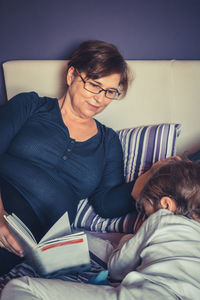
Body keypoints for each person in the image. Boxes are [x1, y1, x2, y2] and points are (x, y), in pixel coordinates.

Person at [0, 40, 138, 275]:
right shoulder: (30, 106)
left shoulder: (109, 141)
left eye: (110, 92)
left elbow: (106, 204)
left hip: (26, 241)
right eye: (94, 85)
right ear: (72, 75)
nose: (100, 99)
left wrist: (154, 176)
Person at [1, 159, 200, 300]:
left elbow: (116, 269)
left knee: (18, 287)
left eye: (147, 214)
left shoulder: (161, 219)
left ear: (166, 205)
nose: (146, 219)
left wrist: (132, 237)